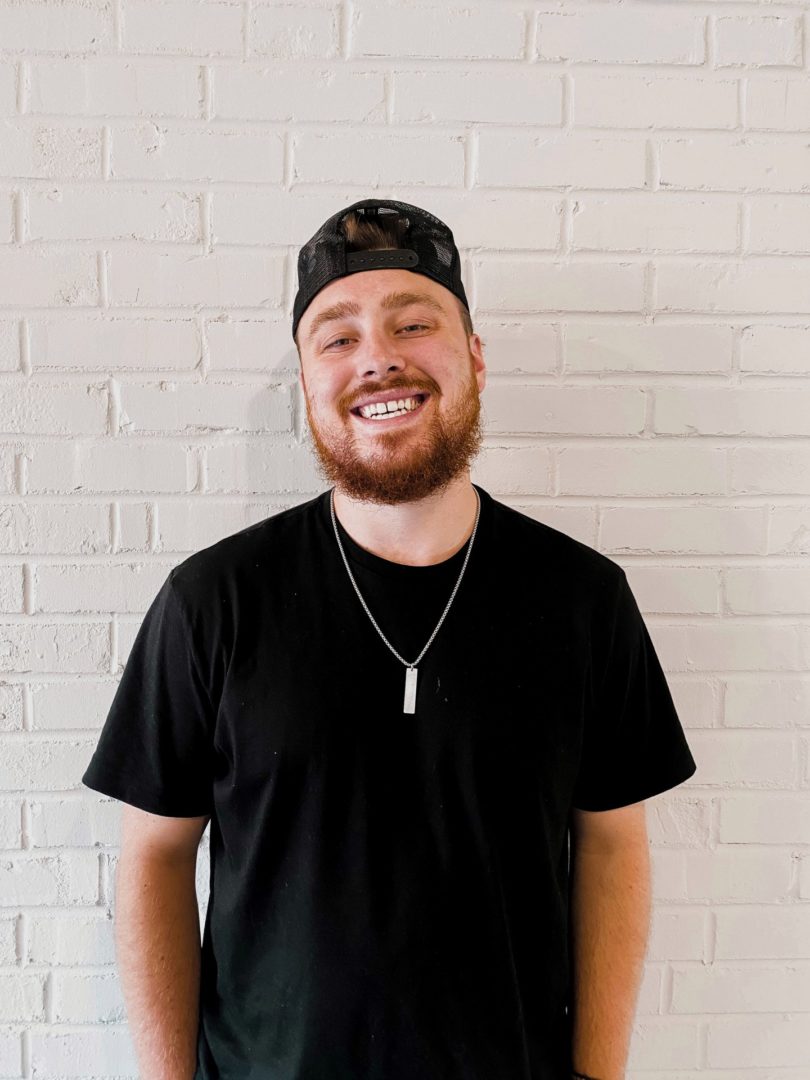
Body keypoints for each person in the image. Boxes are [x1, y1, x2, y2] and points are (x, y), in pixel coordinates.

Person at [82, 198, 697, 1080]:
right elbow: (155, 855)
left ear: (475, 359)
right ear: (307, 383)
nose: (378, 358)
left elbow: (611, 843)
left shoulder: (582, 601)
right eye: (337, 338)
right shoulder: (212, 603)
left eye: (414, 323)